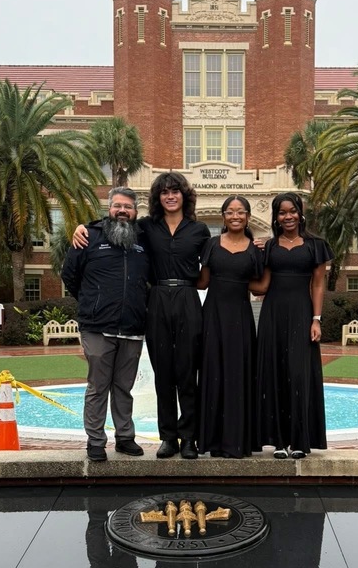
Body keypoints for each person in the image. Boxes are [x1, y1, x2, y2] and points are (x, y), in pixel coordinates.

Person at [73, 172, 210, 459]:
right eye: (164, 192)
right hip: (157, 300)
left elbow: (215, 263)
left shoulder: (199, 231)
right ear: (158, 198)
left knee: (187, 373)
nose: (170, 196)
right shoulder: (146, 228)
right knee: (163, 375)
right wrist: (80, 227)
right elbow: (111, 227)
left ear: (185, 196)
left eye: (175, 191)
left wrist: (253, 242)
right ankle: (168, 438)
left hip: (187, 299)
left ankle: (189, 439)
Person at [61, 187, 150, 462]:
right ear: (109, 208)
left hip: (133, 327)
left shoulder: (144, 240)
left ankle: (125, 437)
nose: (122, 211)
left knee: (124, 386)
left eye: (128, 207)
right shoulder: (89, 237)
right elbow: (70, 276)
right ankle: (96, 441)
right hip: (97, 327)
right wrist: (93, 301)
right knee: (98, 386)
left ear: (136, 212)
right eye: (117, 206)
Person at [253, 192, 332, 459]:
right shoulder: (270, 248)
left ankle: (300, 440)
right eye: (282, 212)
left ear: (300, 213)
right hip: (272, 315)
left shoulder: (315, 245)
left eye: (292, 211)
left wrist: (316, 319)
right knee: (275, 375)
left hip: (302, 313)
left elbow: (318, 284)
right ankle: (278, 442)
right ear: (276, 217)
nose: (288, 217)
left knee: (299, 375)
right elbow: (262, 285)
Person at [196, 196, 264, 458]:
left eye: (241, 212)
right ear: (223, 216)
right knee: (213, 374)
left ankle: (237, 441)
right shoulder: (211, 245)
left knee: (239, 376)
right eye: (230, 212)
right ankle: (212, 441)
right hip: (212, 316)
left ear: (247, 216)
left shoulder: (255, 250)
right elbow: (202, 283)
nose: (235, 216)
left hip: (241, 318)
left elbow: (261, 286)